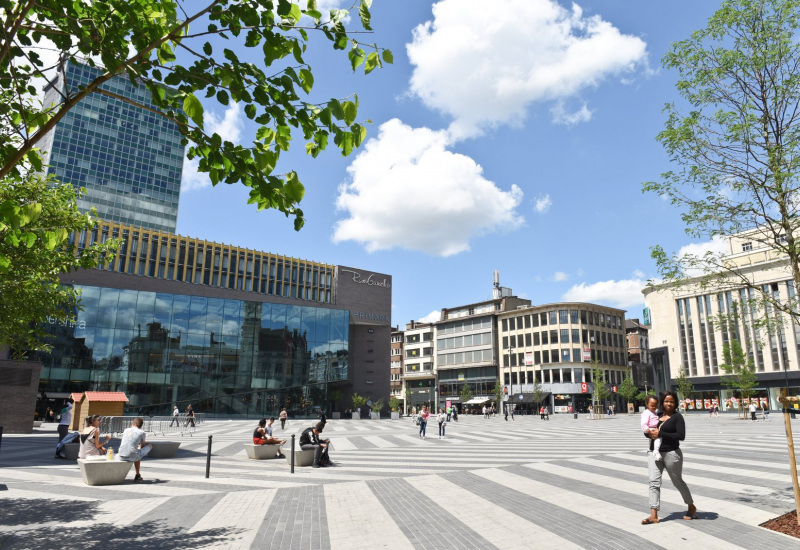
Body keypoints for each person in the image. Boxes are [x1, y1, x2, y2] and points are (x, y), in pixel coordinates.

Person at [641, 391, 697, 525]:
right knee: (653, 483)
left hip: (672, 453)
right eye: (666, 401)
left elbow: (681, 436)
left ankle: (691, 506)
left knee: (678, 482)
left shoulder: (677, 417)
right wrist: (650, 434)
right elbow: (649, 432)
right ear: (662, 402)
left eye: (671, 401)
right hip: (654, 453)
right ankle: (653, 514)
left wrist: (661, 433)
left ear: (675, 403)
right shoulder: (657, 415)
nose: (668, 403)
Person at [117, 417, 153, 482]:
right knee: (149, 446)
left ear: (133, 423)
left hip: (120, 455)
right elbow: (143, 444)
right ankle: (137, 475)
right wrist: (139, 447)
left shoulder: (126, 430)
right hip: (132, 456)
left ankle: (138, 475)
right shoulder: (142, 432)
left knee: (136, 452)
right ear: (140, 426)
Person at [640, 396, 662, 462]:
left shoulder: (654, 412)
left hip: (653, 428)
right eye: (652, 405)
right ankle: (656, 450)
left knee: (653, 440)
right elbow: (643, 423)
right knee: (658, 438)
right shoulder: (646, 413)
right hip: (650, 429)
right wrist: (648, 430)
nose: (654, 407)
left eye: (655, 406)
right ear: (647, 404)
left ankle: (650, 448)